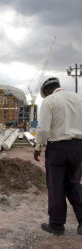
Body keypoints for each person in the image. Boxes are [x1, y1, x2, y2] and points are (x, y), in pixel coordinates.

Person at [34, 77, 82, 236]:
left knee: (56, 187)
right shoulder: (79, 98)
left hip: (58, 149)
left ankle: (57, 225)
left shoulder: (49, 101)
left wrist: (38, 146)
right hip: (78, 148)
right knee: (74, 184)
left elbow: (43, 129)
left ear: (47, 91)